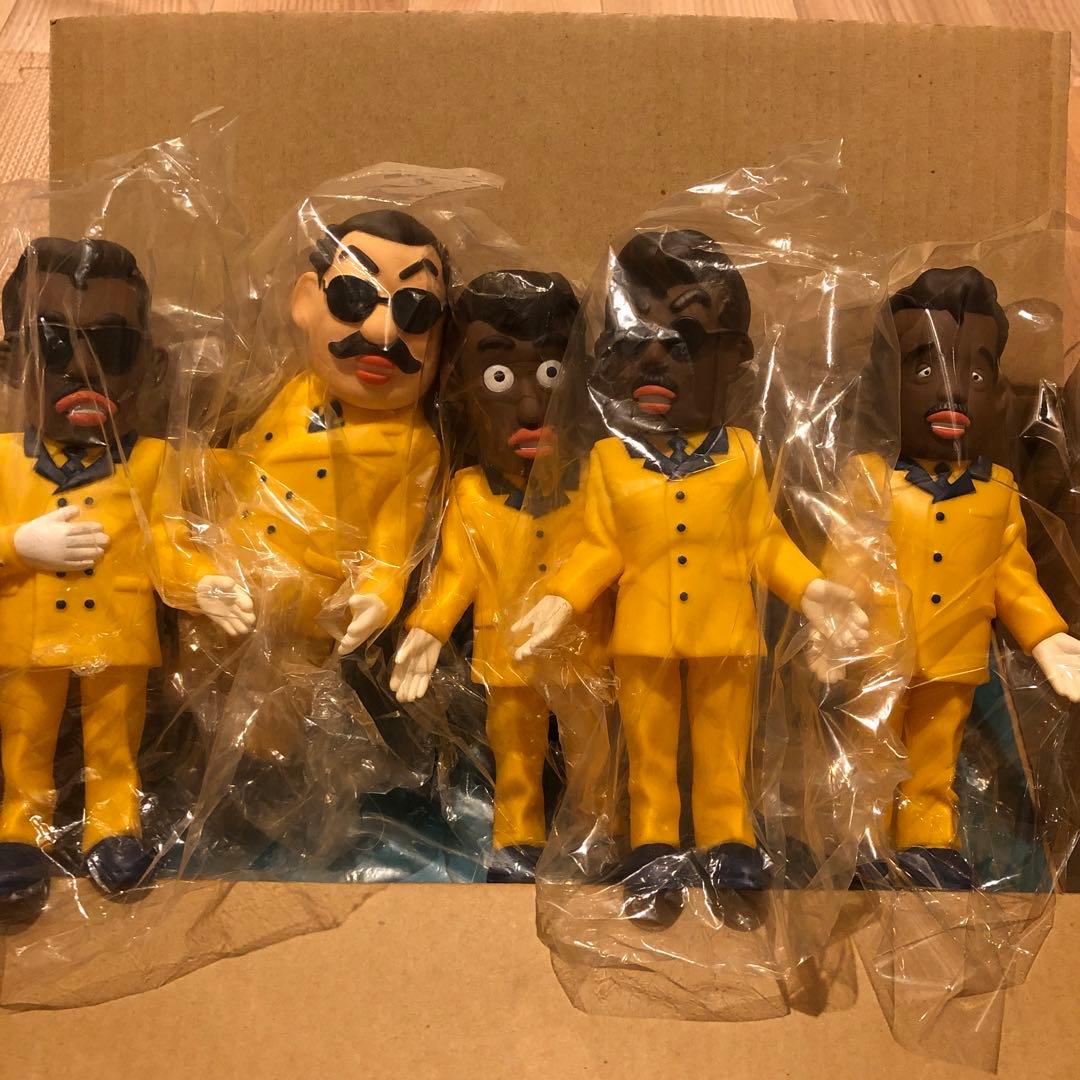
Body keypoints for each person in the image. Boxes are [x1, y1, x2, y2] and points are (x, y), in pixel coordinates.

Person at [0, 236, 254, 902]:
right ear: (12, 362)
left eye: (112, 348)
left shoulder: (153, 463)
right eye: (53, 345)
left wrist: (202, 584)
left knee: (115, 744)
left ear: (150, 364)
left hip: (117, 636)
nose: (84, 367)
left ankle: (113, 826)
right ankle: (20, 829)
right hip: (27, 641)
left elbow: (167, 542)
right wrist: (19, 544)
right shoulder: (2, 462)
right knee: (25, 739)